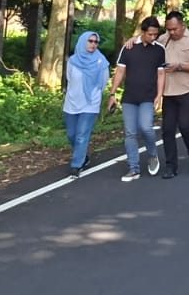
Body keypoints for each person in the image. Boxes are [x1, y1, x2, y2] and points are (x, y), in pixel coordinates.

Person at [108, 16, 166, 180]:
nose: (153, 37)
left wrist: (159, 95)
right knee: (130, 133)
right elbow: (120, 72)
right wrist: (112, 94)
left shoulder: (159, 49)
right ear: (143, 32)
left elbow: (161, 74)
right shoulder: (129, 47)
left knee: (146, 127)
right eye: (150, 34)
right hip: (129, 97)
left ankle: (152, 155)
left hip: (148, 96)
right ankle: (133, 168)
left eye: (156, 34)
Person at [160, 10, 189, 176]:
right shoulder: (163, 40)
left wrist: (179, 67)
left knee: (185, 124)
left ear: (183, 26)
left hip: (188, 89)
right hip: (168, 90)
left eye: (174, 29)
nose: (172, 33)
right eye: (169, 29)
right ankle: (171, 165)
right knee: (167, 129)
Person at [63, 29, 108, 176]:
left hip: (90, 103)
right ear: (83, 42)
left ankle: (76, 165)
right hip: (72, 102)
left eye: (96, 42)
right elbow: (69, 79)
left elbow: (103, 83)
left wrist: (94, 96)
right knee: (71, 134)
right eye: (90, 41)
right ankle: (83, 156)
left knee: (82, 135)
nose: (93, 44)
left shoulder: (101, 62)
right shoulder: (72, 61)